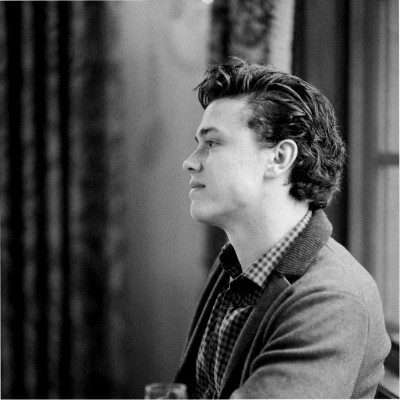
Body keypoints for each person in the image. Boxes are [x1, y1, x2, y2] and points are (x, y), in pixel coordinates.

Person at [175, 57, 391, 399]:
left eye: (212, 143)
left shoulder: (332, 300)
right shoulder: (234, 263)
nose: (190, 161)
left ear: (279, 158)